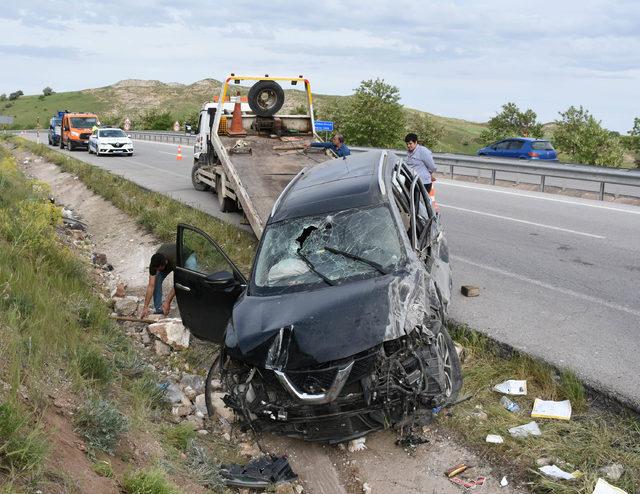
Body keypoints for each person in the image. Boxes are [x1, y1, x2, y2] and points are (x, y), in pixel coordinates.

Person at [140, 243, 178, 318]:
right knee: (156, 279)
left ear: (165, 264)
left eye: (159, 269)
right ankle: (159, 309)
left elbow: (177, 283)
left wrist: (167, 302)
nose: (157, 271)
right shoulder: (155, 262)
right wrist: (145, 307)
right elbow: (151, 285)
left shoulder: (175, 260)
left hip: (184, 256)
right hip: (166, 258)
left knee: (187, 281)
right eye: (156, 269)